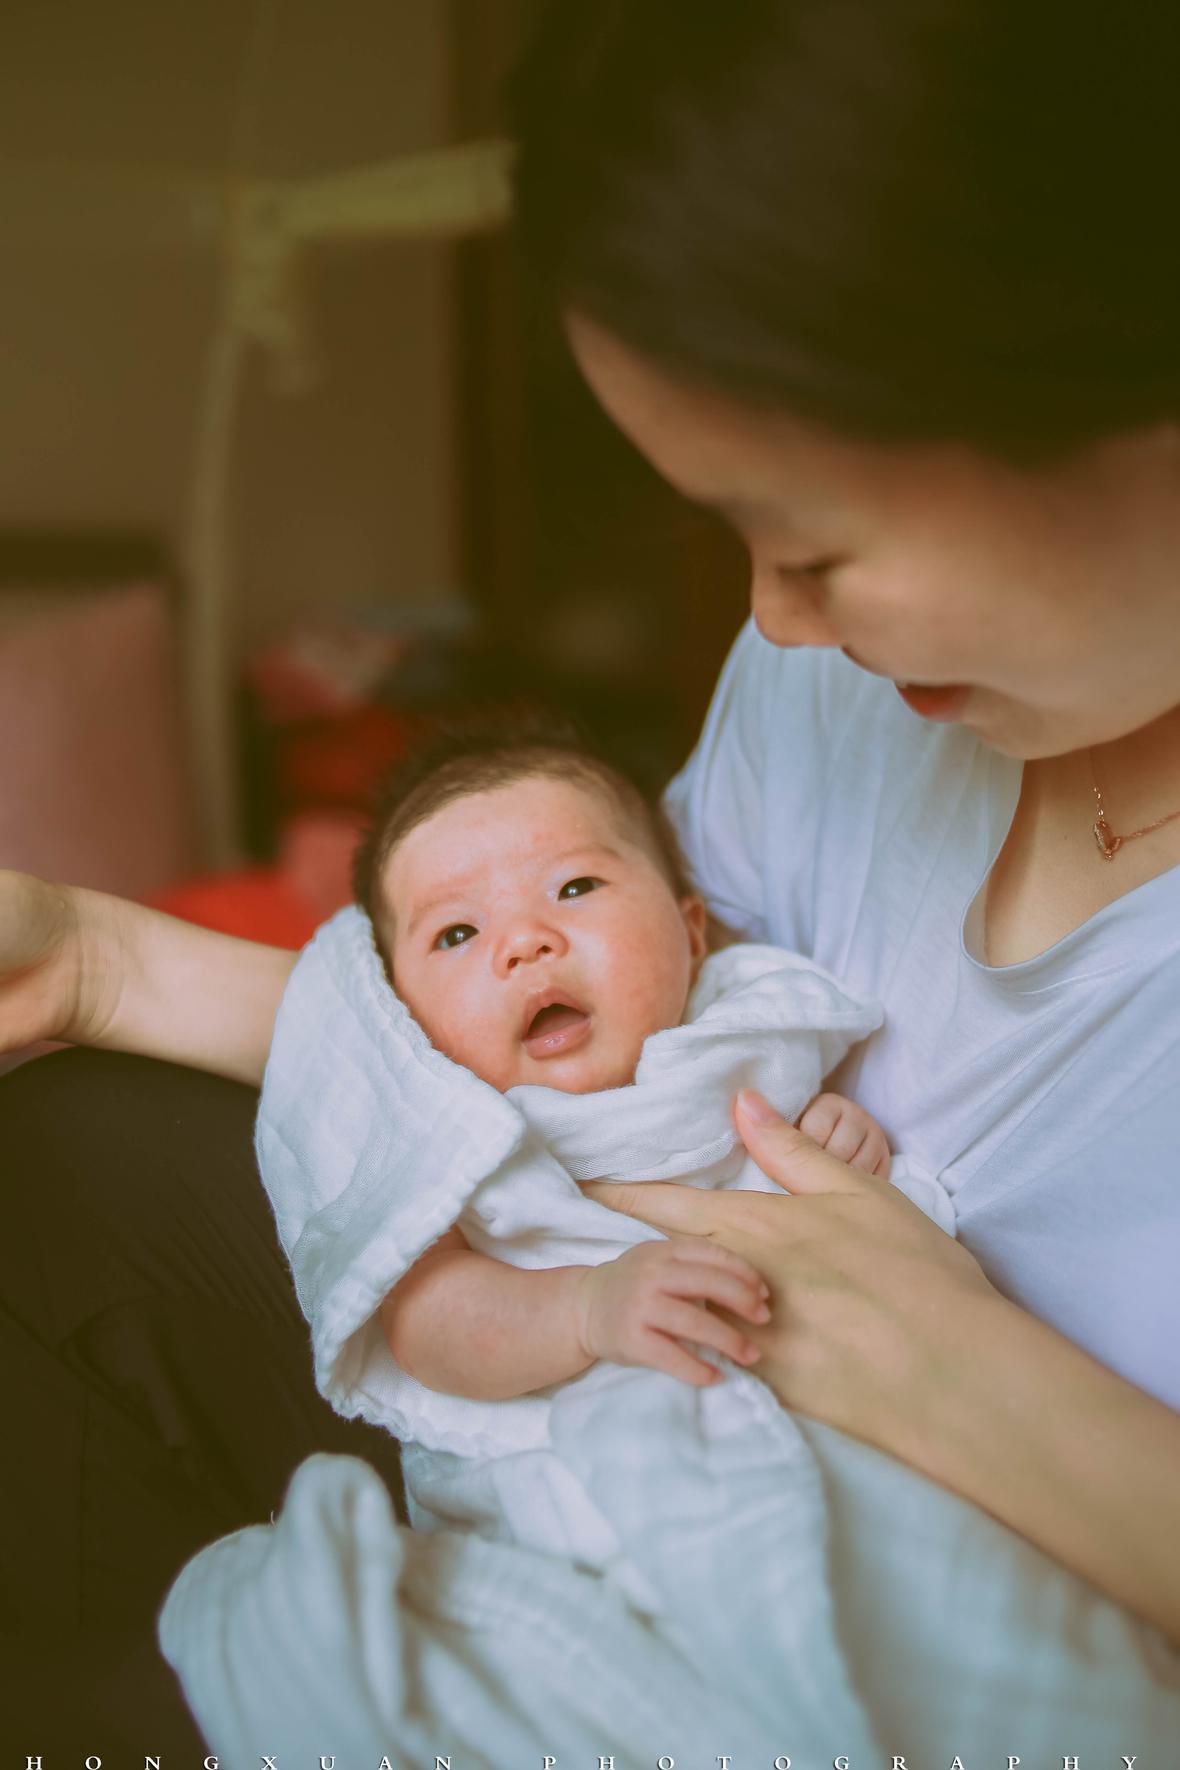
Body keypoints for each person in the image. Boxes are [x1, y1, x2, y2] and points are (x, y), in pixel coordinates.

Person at [3, 0, 1179, 1742]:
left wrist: (971, 1378)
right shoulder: (841, 688)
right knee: (62, 1144)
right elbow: (554, 1051)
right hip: (581, 1373)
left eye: (818, 538)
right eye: (736, 532)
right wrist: (99, 963)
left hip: (941, 1565)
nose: (775, 619)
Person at [353, 719, 895, 1404]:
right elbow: (425, 1325)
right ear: (398, 1010)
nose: (525, 942)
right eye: (457, 932)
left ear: (691, 932)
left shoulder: (752, 1036)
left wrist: (835, 1136)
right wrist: (584, 1311)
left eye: (574, 887)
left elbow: (839, 1206)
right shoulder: (446, 1135)